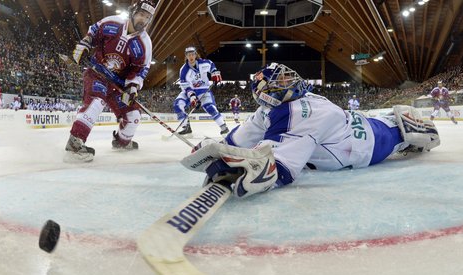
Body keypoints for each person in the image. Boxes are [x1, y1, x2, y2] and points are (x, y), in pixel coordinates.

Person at [181, 62, 440, 198]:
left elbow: (280, 169)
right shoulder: (273, 110)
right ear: (271, 92)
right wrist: (220, 149)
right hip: (362, 136)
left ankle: (406, 131)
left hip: (371, 142)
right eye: (281, 80)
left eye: (285, 77)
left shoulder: (299, 112)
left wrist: (245, 168)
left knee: (408, 134)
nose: (289, 80)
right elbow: (239, 139)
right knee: (395, 127)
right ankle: (401, 126)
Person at [64, 0, 156, 162]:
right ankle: (75, 144)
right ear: (133, 12)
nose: (143, 19)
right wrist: (85, 44)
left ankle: (121, 142)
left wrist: (132, 88)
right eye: (141, 14)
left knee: (134, 115)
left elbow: (140, 70)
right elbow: (94, 32)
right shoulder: (113, 22)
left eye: (147, 17)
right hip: (96, 74)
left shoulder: (145, 44)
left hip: (118, 86)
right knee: (96, 102)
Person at [173, 46, 228, 136]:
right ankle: (186, 126)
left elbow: (211, 64)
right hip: (189, 91)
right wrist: (192, 97)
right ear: (186, 56)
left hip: (203, 89)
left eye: (192, 54)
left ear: (195, 55)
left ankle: (223, 127)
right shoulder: (183, 70)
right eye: (188, 55)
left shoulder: (204, 63)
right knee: (178, 105)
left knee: (209, 107)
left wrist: (214, 72)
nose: (191, 57)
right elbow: (186, 86)